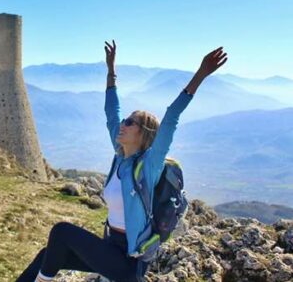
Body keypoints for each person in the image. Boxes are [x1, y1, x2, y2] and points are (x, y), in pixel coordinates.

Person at [16, 40, 228, 282]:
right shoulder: (120, 157)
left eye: (130, 122)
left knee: (61, 232)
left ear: (143, 133)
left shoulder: (149, 166)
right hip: (110, 250)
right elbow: (111, 113)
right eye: (125, 120)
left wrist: (200, 75)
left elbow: (171, 117)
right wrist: (111, 71)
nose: (123, 124)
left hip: (129, 263)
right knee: (48, 254)